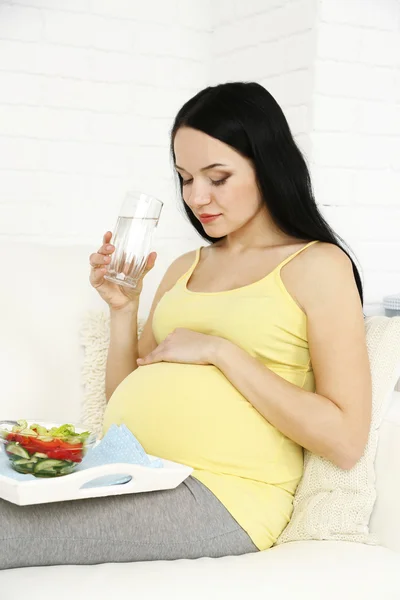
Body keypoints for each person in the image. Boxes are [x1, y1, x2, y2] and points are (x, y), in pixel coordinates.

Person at [0, 82, 372, 571]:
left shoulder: (317, 265)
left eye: (217, 177)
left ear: (268, 165)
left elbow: (346, 439)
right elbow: (123, 396)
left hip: (224, 495)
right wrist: (122, 309)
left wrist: (222, 352)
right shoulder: (184, 266)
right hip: (130, 469)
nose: (196, 197)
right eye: (185, 177)